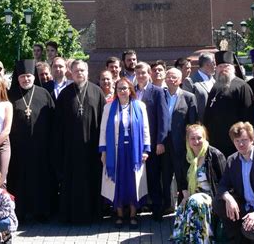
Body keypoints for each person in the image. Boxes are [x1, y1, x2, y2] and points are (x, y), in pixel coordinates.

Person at [55, 60, 106, 223]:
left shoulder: (97, 92)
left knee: (92, 179)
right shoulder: (65, 94)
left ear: (87, 72)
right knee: (72, 182)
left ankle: (93, 214)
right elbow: (59, 123)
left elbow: (104, 122)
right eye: (76, 70)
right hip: (71, 148)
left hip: (92, 147)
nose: (79, 73)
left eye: (82, 70)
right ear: (71, 72)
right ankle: (72, 215)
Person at [7, 59, 54, 222]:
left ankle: (41, 212)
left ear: (33, 76)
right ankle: (20, 212)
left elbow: (53, 120)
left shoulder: (44, 94)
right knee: (19, 179)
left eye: (28, 76)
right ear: (17, 78)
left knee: (40, 179)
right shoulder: (10, 95)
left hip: (41, 147)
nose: (26, 79)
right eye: (22, 77)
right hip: (17, 148)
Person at [99, 77, 150, 226]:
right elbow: (103, 130)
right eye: (119, 88)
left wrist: (146, 149)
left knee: (132, 182)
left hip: (134, 151)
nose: (122, 91)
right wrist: (103, 151)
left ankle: (133, 214)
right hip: (115, 151)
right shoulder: (109, 108)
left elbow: (145, 128)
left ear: (130, 90)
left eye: (125, 88)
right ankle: (119, 214)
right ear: (116, 91)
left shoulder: (140, 106)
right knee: (118, 181)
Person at [171, 124, 226, 243]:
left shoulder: (215, 155)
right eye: (192, 138)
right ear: (187, 140)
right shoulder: (185, 157)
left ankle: (200, 241)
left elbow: (225, 181)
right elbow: (181, 182)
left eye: (199, 138)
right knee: (183, 206)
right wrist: (185, 196)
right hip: (192, 195)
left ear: (205, 138)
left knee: (195, 202)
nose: (196, 141)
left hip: (213, 196)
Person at [134, 62, 169, 221]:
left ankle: (157, 209)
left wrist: (161, 141)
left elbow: (163, 118)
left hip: (153, 142)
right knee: (139, 176)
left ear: (149, 74)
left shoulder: (157, 92)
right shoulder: (132, 91)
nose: (140, 76)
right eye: (138, 73)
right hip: (136, 142)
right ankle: (140, 205)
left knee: (154, 176)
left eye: (143, 73)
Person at [204, 51, 254, 157]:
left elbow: (248, 116)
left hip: (235, 142)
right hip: (215, 142)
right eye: (220, 66)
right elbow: (207, 114)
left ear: (232, 67)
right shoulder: (215, 87)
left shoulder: (242, 87)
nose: (223, 69)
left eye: (226, 66)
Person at [162, 67, 198, 213]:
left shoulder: (189, 97)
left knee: (181, 175)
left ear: (180, 80)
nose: (171, 79)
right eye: (169, 76)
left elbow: (193, 121)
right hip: (164, 142)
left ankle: (183, 207)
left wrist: (190, 142)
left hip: (181, 143)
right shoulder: (160, 95)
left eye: (174, 77)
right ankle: (167, 206)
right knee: (165, 175)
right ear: (165, 79)